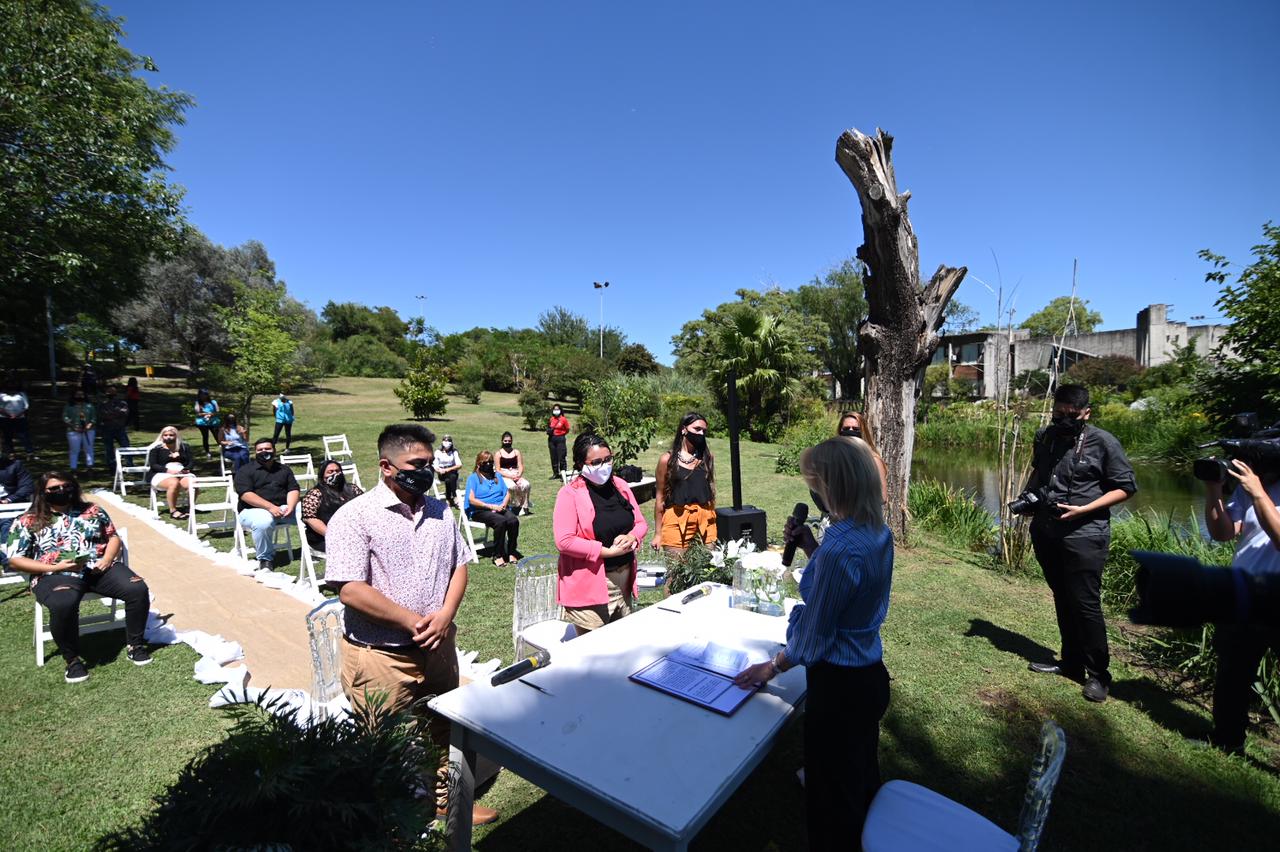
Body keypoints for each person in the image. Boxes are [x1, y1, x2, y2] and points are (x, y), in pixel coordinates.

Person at [324, 423, 497, 826]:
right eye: (416, 464)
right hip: (379, 657)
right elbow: (349, 589)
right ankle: (390, 822)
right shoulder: (354, 517)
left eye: (429, 463)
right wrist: (413, 621)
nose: (426, 471)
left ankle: (447, 803)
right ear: (386, 466)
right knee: (384, 743)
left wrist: (445, 616)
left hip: (437, 648)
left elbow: (459, 565)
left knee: (444, 730)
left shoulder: (440, 510)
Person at [733, 438, 893, 847]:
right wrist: (810, 548)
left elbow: (817, 636)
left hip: (839, 689)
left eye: (815, 484)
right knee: (860, 779)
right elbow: (843, 594)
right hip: (869, 676)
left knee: (831, 801)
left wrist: (773, 666)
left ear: (833, 485)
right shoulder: (876, 531)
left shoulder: (841, 547)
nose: (813, 493)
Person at [1024, 384, 1136, 703]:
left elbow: (1126, 487)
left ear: (1086, 413)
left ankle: (1098, 675)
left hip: (1085, 534)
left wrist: (1085, 509)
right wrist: (1027, 498)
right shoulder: (1046, 437)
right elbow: (1039, 473)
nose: (1063, 420)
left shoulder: (1103, 442)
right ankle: (1071, 663)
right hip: (1047, 531)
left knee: (1085, 604)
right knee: (1062, 596)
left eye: (1070, 415)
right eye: (1057, 413)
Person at [4, 471, 153, 683]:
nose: (61, 491)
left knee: (137, 588)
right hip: (54, 574)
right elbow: (15, 560)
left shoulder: (92, 510)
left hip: (98, 568)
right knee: (63, 602)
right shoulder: (28, 520)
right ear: (42, 492)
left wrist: (107, 558)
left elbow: (113, 537)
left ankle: (135, 645)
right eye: (54, 488)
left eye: (66, 486)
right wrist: (54, 567)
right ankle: (72, 660)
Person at [1203, 453, 1280, 755]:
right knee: (1233, 672)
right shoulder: (1253, 486)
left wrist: (1258, 492)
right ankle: (1227, 738)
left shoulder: (1257, 487)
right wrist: (1213, 490)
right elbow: (1223, 533)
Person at [553, 433, 647, 635]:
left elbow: (640, 523)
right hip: (590, 584)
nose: (604, 466)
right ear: (581, 464)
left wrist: (632, 536)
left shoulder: (620, 486)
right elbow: (564, 541)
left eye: (607, 459)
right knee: (593, 646)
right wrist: (607, 552)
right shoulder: (569, 494)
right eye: (596, 462)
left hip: (623, 581)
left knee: (622, 642)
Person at [652, 412, 717, 556]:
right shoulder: (667, 460)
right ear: (684, 429)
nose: (701, 434)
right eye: (697, 429)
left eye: (704, 431)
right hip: (677, 518)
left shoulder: (707, 457)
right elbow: (660, 497)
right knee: (677, 567)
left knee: (707, 565)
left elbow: (711, 489)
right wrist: (658, 533)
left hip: (705, 519)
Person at [233, 438, 300, 572]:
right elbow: (246, 494)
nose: (264, 451)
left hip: (283, 508)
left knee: (311, 512)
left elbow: (293, 489)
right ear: (255, 452)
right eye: (260, 450)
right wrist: (270, 507)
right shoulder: (245, 470)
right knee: (264, 521)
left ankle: (316, 546)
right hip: (252, 510)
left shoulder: (284, 469)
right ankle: (265, 559)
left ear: (274, 450)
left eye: (268, 449)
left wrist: (291, 506)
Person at [464, 450, 521, 566]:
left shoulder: (497, 476)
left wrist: (504, 504)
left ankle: (511, 551)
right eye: (485, 462)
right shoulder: (473, 478)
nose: (489, 464)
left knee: (513, 520)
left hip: (499, 507)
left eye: (491, 461)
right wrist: (490, 506)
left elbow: (507, 493)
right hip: (480, 510)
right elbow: (471, 499)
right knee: (500, 521)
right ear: (479, 464)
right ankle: (497, 554)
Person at [301, 458, 364, 554]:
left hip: (354, 534)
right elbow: (310, 519)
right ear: (322, 475)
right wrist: (334, 535)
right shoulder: (315, 494)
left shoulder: (352, 489)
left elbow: (365, 507)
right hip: (325, 538)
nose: (335, 474)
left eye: (337, 471)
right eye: (330, 472)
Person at [836, 411, 889, 505]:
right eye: (846, 428)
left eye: (856, 429)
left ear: (863, 432)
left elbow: (882, 497)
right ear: (840, 431)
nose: (851, 431)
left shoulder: (874, 460)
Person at [146, 426, 194, 520]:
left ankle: (189, 508)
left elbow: (191, 462)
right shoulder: (156, 449)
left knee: (193, 483)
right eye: (166, 435)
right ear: (162, 436)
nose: (168, 437)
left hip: (181, 472)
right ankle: (173, 511)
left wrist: (186, 469)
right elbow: (154, 465)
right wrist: (169, 471)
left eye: (171, 435)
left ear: (176, 436)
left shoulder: (184, 447)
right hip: (161, 473)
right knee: (174, 483)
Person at [0, 455, 35, 546]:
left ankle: (7, 550)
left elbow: (27, 486)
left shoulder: (14, 465)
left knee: (8, 524)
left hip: (9, 507)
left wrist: (9, 500)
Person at [496, 431, 533, 515]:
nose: (507, 442)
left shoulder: (516, 452)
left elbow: (520, 465)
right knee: (512, 487)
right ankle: (514, 506)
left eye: (509, 441)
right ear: (502, 441)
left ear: (512, 441)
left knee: (526, 484)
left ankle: (525, 506)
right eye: (505, 441)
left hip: (516, 473)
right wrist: (510, 476)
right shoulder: (498, 454)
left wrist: (518, 475)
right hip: (504, 475)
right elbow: (498, 470)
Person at [99, 385, 131, 474]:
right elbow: (103, 415)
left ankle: (129, 465)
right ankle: (112, 467)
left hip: (120, 428)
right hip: (107, 429)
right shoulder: (103, 404)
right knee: (109, 449)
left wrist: (112, 414)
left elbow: (125, 412)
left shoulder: (122, 403)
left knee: (126, 446)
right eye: (109, 392)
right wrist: (116, 413)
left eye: (112, 392)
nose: (111, 394)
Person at [62, 391, 96, 471]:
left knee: (89, 449)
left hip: (88, 431)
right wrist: (73, 427)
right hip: (73, 431)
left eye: (82, 394)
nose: (80, 396)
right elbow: (65, 417)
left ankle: (90, 467)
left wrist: (89, 425)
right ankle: (73, 469)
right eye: (78, 394)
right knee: (74, 450)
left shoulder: (89, 406)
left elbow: (94, 417)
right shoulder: (69, 406)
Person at [0, 376, 33, 455]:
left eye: (13, 383)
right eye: (9, 383)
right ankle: (11, 453)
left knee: (24, 435)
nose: (11, 385)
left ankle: (29, 453)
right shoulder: (1, 395)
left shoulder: (22, 394)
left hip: (20, 418)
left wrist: (18, 415)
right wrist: (8, 415)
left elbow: (26, 407)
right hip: (5, 419)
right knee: (8, 436)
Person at [432, 434, 462, 507]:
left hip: (452, 471)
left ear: (451, 443)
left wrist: (448, 469)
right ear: (442, 442)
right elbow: (435, 465)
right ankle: (454, 496)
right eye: (445, 441)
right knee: (450, 478)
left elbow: (459, 465)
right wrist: (439, 470)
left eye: (448, 441)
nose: (446, 442)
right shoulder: (438, 452)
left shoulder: (454, 452)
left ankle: (449, 499)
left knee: (450, 478)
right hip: (442, 473)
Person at [193, 389, 221, 457]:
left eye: (205, 394)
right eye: (202, 395)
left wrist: (210, 415)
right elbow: (197, 413)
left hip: (213, 422)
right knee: (205, 437)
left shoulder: (213, 402)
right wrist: (206, 414)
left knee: (217, 436)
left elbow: (217, 411)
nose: (204, 396)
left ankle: (223, 451)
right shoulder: (198, 403)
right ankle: (207, 452)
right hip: (202, 423)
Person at [546, 404, 570, 480]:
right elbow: (549, 427)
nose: (556, 411)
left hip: (560, 439)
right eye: (554, 409)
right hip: (551, 439)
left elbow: (567, 429)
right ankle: (555, 473)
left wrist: (561, 434)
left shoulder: (563, 419)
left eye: (557, 409)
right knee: (553, 457)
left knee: (561, 457)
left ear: (560, 410)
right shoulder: (551, 419)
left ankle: (563, 474)